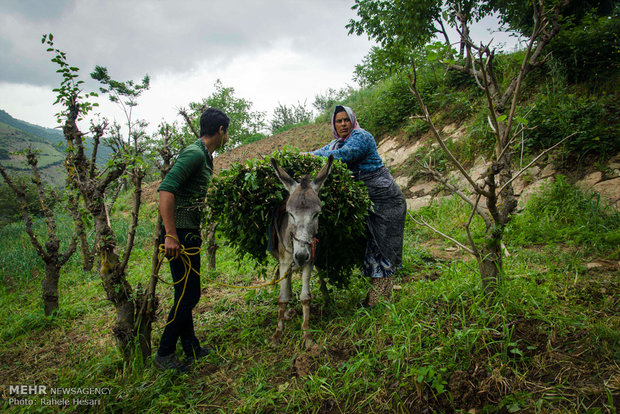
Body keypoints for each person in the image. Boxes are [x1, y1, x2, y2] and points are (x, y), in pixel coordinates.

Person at [155, 108, 230, 371]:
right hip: (181, 235)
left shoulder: (205, 157)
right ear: (221, 130)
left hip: (188, 232)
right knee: (190, 295)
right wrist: (171, 234)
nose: (227, 137)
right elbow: (166, 189)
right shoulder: (195, 153)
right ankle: (165, 352)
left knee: (184, 293)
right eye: (227, 132)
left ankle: (191, 347)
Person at [309, 105, 406, 307]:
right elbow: (322, 151)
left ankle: (378, 302)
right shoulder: (337, 142)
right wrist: (301, 155)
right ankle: (378, 298)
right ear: (334, 125)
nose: (343, 124)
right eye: (339, 121)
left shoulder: (361, 137)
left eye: (346, 120)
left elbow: (343, 156)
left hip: (386, 200)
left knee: (382, 245)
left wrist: (309, 157)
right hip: (369, 201)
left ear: (352, 120)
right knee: (372, 244)